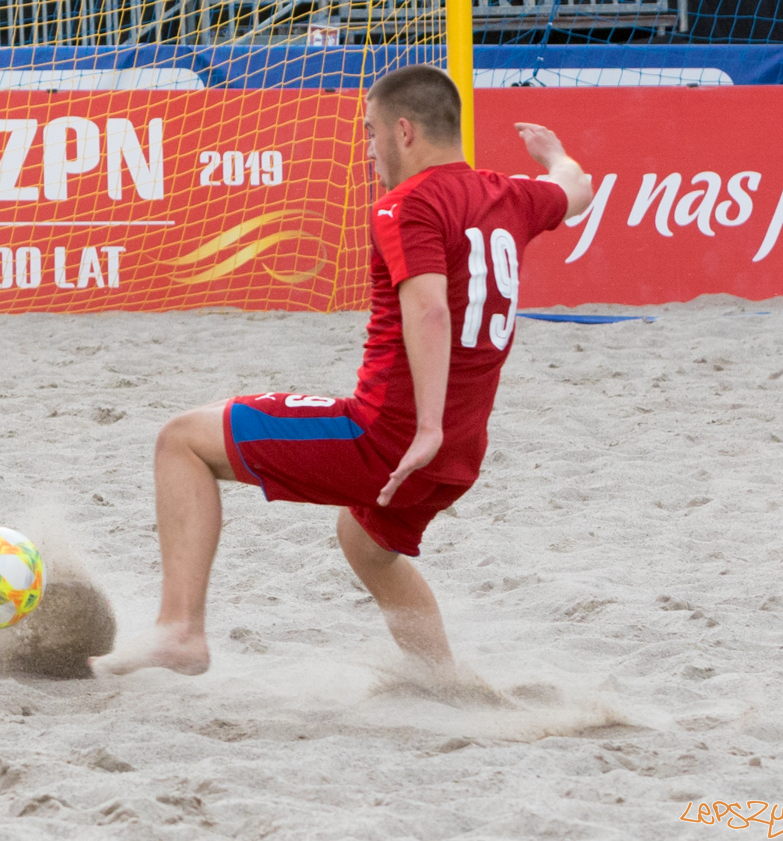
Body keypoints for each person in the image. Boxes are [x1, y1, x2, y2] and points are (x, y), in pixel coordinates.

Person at [91, 65, 594, 682]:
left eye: (370, 131)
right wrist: (555, 155)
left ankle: (180, 631)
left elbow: (430, 310)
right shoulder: (514, 195)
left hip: (388, 436)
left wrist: (425, 426)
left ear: (404, 131)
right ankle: (443, 682)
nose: (366, 149)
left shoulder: (405, 206)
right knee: (364, 543)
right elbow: (575, 189)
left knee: (182, 441)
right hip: (462, 450)